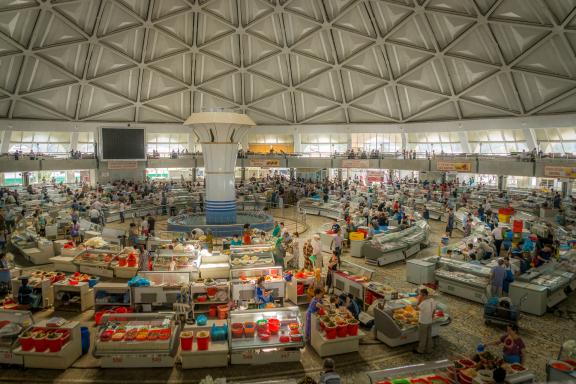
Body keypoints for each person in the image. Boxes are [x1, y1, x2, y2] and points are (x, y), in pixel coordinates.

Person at [415, 288, 435, 354]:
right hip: (430, 321)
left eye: (420, 295)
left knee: (423, 337)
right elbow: (434, 310)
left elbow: (416, 308)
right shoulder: (432, 300)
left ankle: (420, 350)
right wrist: (431, 317)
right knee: (429, 336)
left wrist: (419, 301)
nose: (419, 296)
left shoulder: (423, 303)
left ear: (423, 295)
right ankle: (429, 349)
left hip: (423, 322)